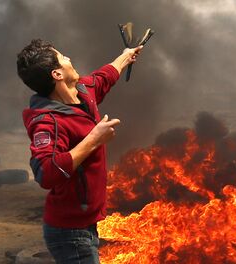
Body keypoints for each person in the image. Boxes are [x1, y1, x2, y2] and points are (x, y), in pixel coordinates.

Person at [16, 39, 143, 263]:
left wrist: (126, 55)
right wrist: (94, 139)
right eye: (63, 57)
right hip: (69, 232)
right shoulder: (47, 121)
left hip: (86, 225)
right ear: (57, 74)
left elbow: (104, 77)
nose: (69, 59)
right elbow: (46, 172)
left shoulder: (82, 93)